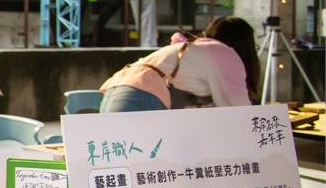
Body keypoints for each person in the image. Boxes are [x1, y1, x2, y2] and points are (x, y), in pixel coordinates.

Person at [99, 16, 260, 113]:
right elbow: (239, 112)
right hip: (141, 98)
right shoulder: (224, 54)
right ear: (246, 46)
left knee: (125, 166)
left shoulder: (196, 50)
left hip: (115, 92)